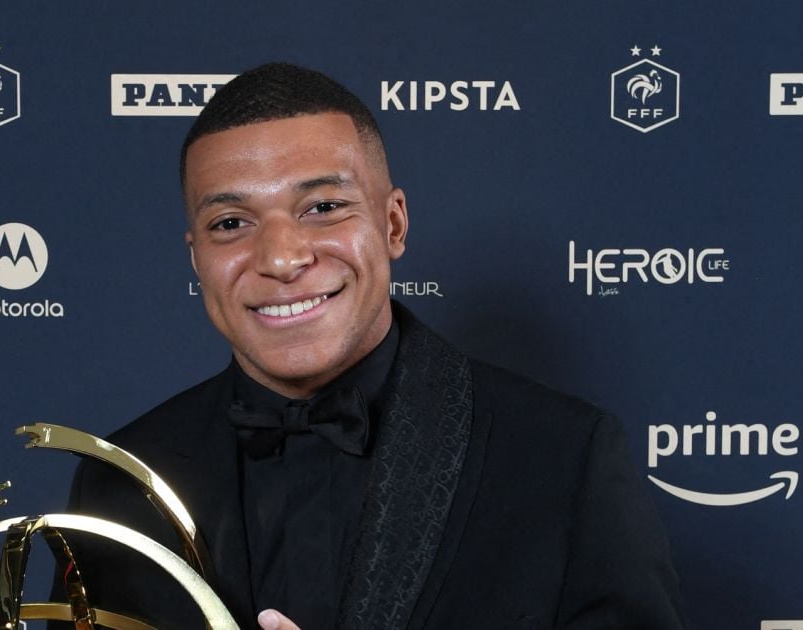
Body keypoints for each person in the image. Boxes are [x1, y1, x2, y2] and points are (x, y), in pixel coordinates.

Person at [54, 62, 686, 630]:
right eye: (231, 224)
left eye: (323, 206)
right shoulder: (119, 481)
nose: (281, 257)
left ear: (393, 224)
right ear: (196, 256)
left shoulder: (563, 459)